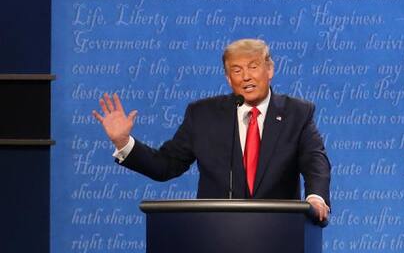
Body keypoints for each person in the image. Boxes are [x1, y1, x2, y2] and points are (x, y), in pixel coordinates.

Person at [93, 38, 331, 222]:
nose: (246, 76)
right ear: (228, 79)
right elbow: (166, 165)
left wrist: (315, 198)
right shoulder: (203, 115)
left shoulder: (297, 113)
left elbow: (315, 162)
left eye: (253, 67)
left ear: (270, 70)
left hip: (277, 240)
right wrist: (123, 142)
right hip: (216, 240)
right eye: (237, 70)